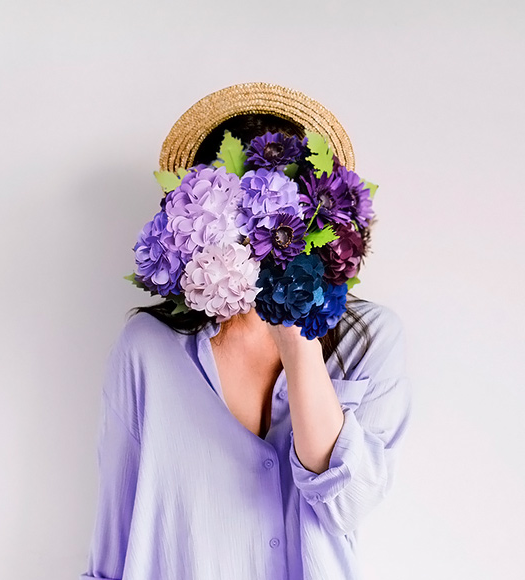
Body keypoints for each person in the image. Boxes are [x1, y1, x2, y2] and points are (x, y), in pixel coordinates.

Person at [79, 88, 413, 580]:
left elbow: (348, 506)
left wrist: (297, 331)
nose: (259, 234)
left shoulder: (371, 339)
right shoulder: (148, 349)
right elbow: (115, 532)